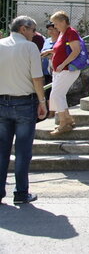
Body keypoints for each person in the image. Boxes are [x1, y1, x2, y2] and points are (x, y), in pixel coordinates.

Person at [0, 16, 48, 205]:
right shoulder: (30, 47)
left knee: (2, 151)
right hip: (24, 103)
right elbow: (37, 78)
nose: (35, 34)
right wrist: (42, 101)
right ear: (23, 29)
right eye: (33, 30)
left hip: (2, 102)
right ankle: (20, 193)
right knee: (23, 151)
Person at [46, 11, 82, 136]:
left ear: (63, 22)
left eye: (56, 23)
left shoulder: (71, 32)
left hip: (67, 70)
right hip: (61, 70)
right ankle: (68, 119)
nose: (54, 26)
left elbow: (76, 51)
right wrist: (50, 51)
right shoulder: (63, 33)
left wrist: (62, 64)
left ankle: (63, 123)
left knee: (56, 95)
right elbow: (61, 49)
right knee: (59, 95)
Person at [41, 21, 59, 88]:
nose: (50, 31)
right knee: (46, 90)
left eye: (53, 29)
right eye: (49, 29)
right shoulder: (47, 40)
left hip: (55, 69)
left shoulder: (61, 41)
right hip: (45, 70)